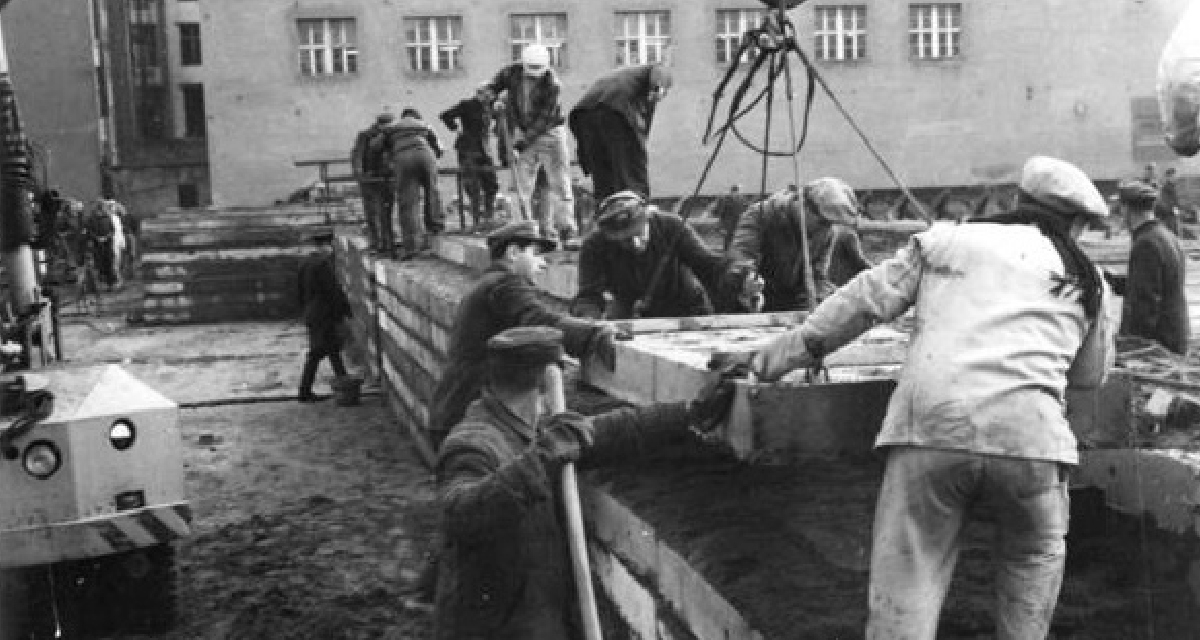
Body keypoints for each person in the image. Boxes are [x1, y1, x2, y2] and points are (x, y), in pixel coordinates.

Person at [747, 155, 1117, 640]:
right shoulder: (1088, 279)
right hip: (1033, 445)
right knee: (1029, 577)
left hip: (932, 431)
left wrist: (767, 361)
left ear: (1017, 200)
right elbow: (1089, 377)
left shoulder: (948, 240)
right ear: (1078, 222)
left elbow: (860, 304)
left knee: (907, 587)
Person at [434, 325, 736, 640]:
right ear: (545, 384)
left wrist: (690, 413)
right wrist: (542, 458)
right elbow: (459, 513)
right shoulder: (474, 443)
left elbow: (610, 431)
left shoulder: (527, 428)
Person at [426, 219, 621, 450]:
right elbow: (538, 320)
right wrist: (593, 333)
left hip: (457, 409)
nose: (543, 263)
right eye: (536, 254)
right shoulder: (505, 284)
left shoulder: (489, 283)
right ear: (513, 252)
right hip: (468, 416)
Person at [572, 190, 763, 319]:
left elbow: (710, 266)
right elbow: (588, 295)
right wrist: (590, 321)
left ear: (647, 219)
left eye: (636, 234)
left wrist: (741, 276)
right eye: (622, 240)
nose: (632, 243)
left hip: (686, 309)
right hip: (630, 313)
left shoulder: (671, 226)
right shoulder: (594, 245)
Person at [483, 44, 579, 248]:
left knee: (559, 183)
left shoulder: (553, 84)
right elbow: (488, 88)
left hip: (550, 133)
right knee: (520, 185)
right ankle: (522, 231)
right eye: (531, 69)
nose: (534, 75)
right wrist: (493, 101)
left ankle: (567, 232)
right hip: (523, 131)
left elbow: (544, 120)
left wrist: (520, 144)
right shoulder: (511, 72)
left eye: (538, 70)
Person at [730, 179, 872, 312]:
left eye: (830, 224)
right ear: (803, 205)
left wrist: (824, 298)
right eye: (823, 222)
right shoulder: (761, 215)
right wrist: (746, 277)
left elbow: (818, 276)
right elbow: (740, 256)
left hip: (792, 304)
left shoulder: (826, 232)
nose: (826, 230)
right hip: (753, 301)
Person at [1104, 179, 1190, 355]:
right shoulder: (1166, 236)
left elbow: (1144, 303)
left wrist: (1131, 347)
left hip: (1160, 343)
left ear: (1126, 209)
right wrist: (1112, 281)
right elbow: (1155, 284)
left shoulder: (1146, 243)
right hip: (1174, 335)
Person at [567, 63, 672, 203]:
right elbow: (661, 71)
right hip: (614, 108)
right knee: (632, 170)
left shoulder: (627, 77)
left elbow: (645, 126)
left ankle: (606, 212)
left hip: (583, 114)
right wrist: (658, 88)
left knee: (603, 174)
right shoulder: (651, 73)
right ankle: (636, 209)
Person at [296, 232, 352, 402]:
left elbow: (299, 292)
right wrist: (343, 311)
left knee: (332, 349)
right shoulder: (322, 265)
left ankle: (344, 384)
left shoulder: (304, 263)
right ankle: (304, 391)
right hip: (324, 314)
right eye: (330, 246)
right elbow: (332, 291)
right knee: (317, 352)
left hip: (312, 312)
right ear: (325, 246)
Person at [386, 107, 445, 260]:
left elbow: (376, 147)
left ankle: (412, 246)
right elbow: (439, 147)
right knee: (432, 191)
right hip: (425, 155)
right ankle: (436, 228)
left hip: (403, 158)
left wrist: (389, 161)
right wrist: (434, 158)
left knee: (408, 201)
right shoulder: (424, 125)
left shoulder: (392, 128)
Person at [441, 87, 500, 231]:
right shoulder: (467, 105)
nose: (490, 97)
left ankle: (488, 218)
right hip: (468, 148)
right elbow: (446, 115)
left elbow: (498, 120)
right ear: (480, 94)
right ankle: (476, 221)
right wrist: (456, 128)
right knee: (473, 186)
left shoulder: (491, 107)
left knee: (491, 184)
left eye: (491, 95)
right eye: (487, 95)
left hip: (485, 150)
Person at [350, 113, 396, 253]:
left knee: (387, 211)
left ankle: (388, 243)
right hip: (370, 178)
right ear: (380, 124)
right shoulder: (365, 135)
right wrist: (359, 173)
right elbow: (357, 154)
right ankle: (376, 243)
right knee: (372, 212)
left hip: (387, 178)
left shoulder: (392, 135)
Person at [84, 200, 118, 291]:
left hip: (108, 244)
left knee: (109, 264)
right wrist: (97, 238)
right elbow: (89, 232)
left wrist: (106, 237)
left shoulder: (107, 217)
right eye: (99, 206)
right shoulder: (91, 219)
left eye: (102, 206)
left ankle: (110, 285)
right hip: (97, 246)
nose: (101, 208)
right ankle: (102, 285)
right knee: (100, 265)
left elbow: (112, 230)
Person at [711, 184, 752, 251]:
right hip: (734, 220)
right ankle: (729, 250)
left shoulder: (727, 198)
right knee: (730, 235)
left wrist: (715, 213)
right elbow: (746, 208)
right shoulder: (740, 198)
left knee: (729, 235)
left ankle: (728, 250)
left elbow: (719, 209)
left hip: (731, 220)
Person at [1155, 166, 1181, 235]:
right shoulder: (1165, 189)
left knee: (1175, 236)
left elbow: (1176, 201)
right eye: (1174, 176)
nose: (1176, 178)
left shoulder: (1173, 187)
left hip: (1173, 216)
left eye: (1175, 176)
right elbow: (1163, 203)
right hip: (1167, 217)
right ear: (1168, 177)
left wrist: (1177, 208)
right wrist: (1172, 209)